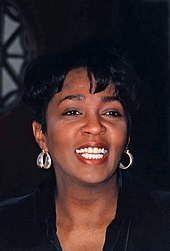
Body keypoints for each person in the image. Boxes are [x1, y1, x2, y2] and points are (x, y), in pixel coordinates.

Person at [0, 40, 169, 250]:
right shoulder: (7, 227)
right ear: (41, 134)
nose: (95, 127)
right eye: (72, 112)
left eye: (111, 112)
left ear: (128, 135)